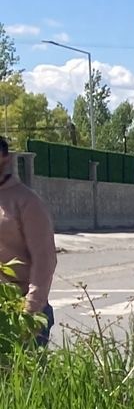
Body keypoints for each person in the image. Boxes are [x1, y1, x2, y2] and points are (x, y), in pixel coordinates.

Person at [0, 137, 57, 347]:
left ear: (5, 158)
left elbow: (44, 260)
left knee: (25, 378)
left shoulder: (27, 202)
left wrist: (30, 313)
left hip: (20, 310)